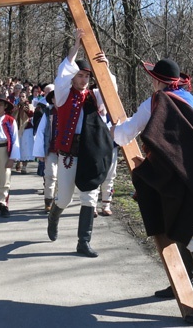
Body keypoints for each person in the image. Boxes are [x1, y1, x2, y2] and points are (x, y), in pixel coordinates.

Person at [111, 58, 193, 325]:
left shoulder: (156, 102)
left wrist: (113, 126)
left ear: (158, 80)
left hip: (185, 179)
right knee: (179, 224)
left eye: (153, 77)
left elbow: (123, 136)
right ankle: (184, 282)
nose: (151, 82)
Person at [46, 28, 116, 258]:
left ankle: (83, 242)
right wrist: (75, 48)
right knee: (65, 197)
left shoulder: (95, 96)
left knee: (89, 197)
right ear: (73, 77)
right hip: (69, 154)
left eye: (87, 76)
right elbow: (61, 76)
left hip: (90, 154)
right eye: (80, 75)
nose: (84, 80)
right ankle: (55, 214)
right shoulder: (64, 94)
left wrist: (104, 68)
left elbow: (110, 91)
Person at [33, 87, 57, 213]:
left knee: (63, 178)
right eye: (55, 97)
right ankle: (49, 200)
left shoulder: (69, 111)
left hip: (67, 150)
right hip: (51, 149)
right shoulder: (48, 113)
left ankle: (59, 202)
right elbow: (41, 132)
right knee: (50, 175)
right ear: (52, 99)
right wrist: (40, 152)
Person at [14, 90, 35, 174]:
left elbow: (31, 114)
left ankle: (24, 166)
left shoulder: (29, 105)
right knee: (18, 146)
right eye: (20, 97)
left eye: (23, 96)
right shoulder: (17, 106)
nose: (21, 98)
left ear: (26, 97)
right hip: (18, 128)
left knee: (25, 147)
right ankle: (18, 162)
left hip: (27, 128)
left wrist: (26, 110)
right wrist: (15, 110)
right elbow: (13, 116)